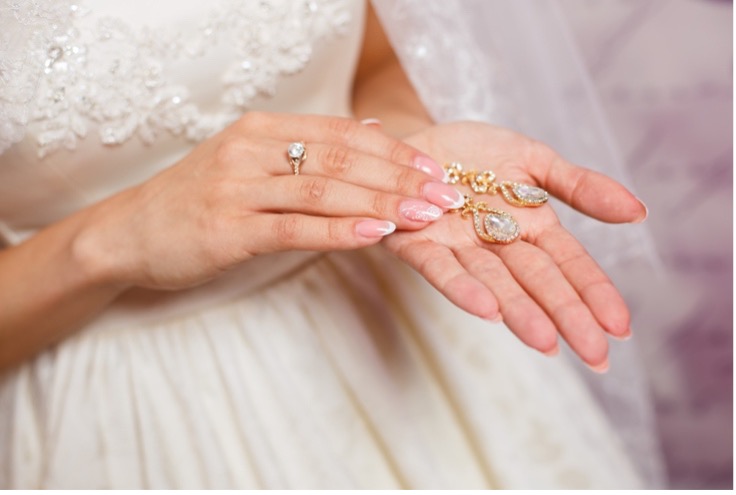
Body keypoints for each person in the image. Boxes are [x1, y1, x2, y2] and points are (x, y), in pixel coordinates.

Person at [0, 0, 649, 488]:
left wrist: (399, 157)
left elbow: (379, 58)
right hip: (127, 407)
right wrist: (108, 239)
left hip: (395, 319)